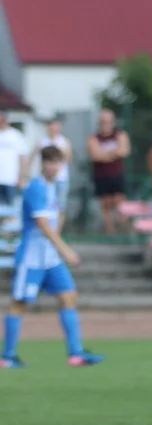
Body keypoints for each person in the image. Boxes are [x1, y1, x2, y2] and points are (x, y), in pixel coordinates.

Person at [2, 146, 103, 368]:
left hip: (50, 259)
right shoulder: (36, 187)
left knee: (69, 296)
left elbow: (57, 217)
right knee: (19, 304)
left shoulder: (53, 187)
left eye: (57, 162)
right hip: (32, 258)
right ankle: (7, 357)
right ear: (42, 163)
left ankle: (75, 354)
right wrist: (65, 249)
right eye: (49, 161)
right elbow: (43, 225)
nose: (53, 166)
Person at [87, 109, 130, 234]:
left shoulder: (120, 134)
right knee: (105, 203)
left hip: (117, 174)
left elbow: (124, 151)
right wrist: (113, 153)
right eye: (103, 121)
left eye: (108, 121)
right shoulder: (93, 138)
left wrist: (104, 154)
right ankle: (110, 230)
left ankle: (123, 228)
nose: (105, 124)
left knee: (120, 201)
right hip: (101, 175)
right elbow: (95, 155)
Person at [34, 117, 72, 209]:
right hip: (45, 179)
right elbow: (34, 157)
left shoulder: (64, 141)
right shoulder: (42, 141)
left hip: (61, 178)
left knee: (60, 206)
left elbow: (69, 158)